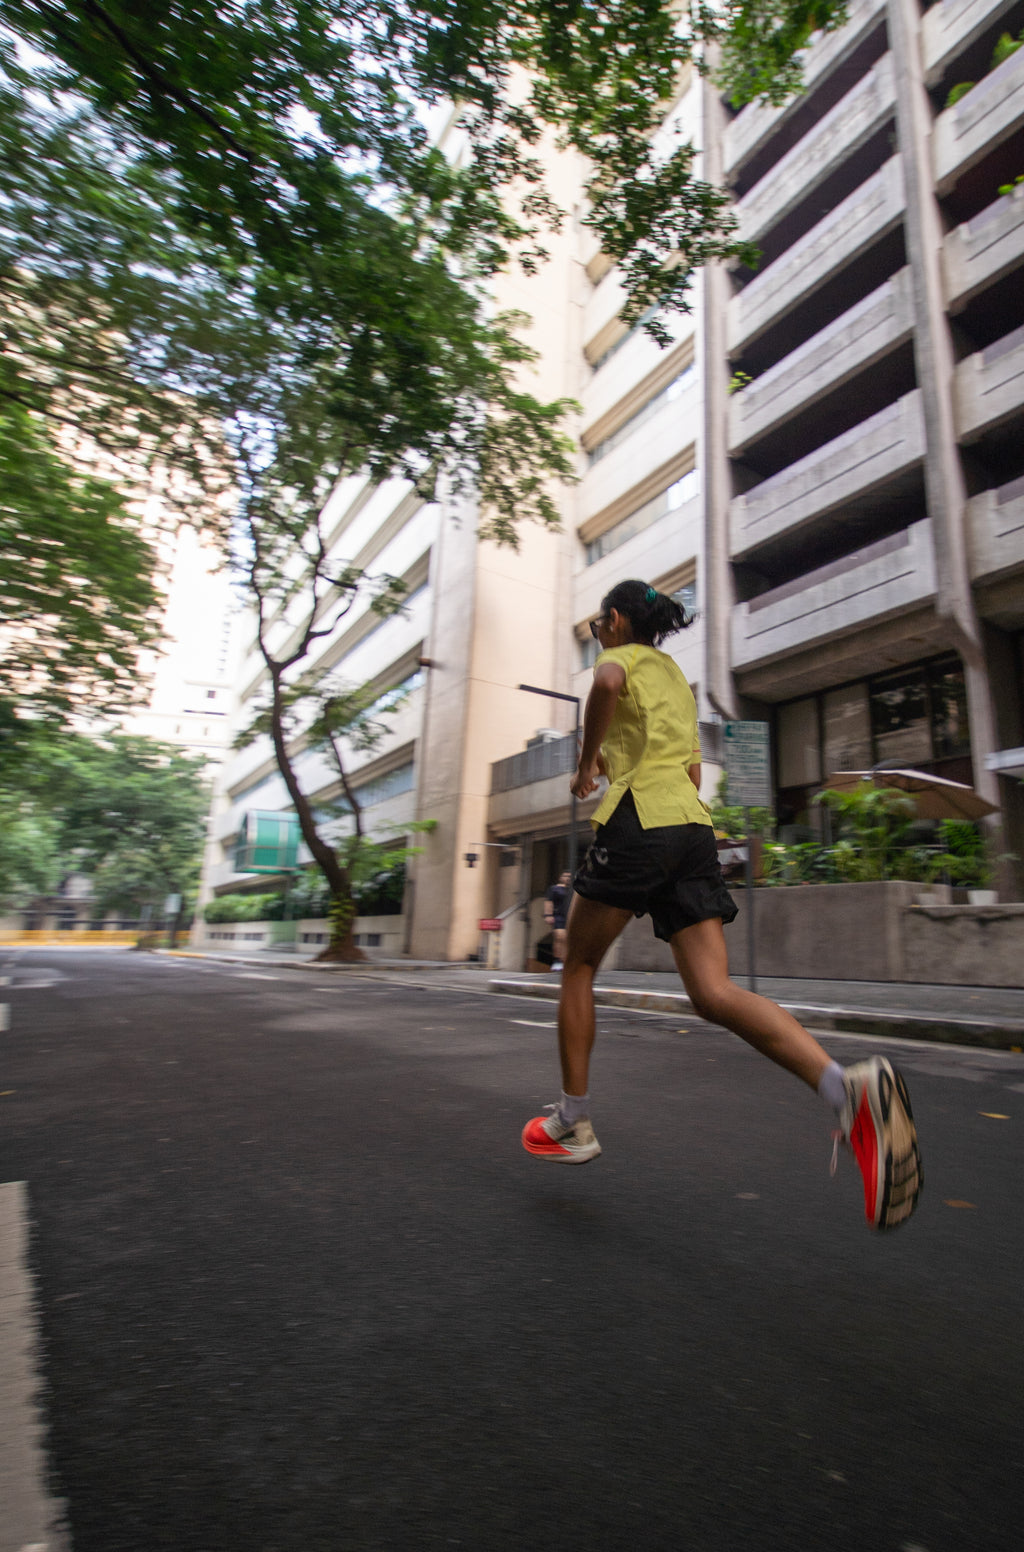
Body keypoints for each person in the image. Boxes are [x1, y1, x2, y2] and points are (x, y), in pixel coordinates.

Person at [521, 579, 922, 1232]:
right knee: (713, 991)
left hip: (635, 823)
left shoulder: (618, 660)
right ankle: (847, 1093)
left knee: (578, 967)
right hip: (691, 831)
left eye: (599, 625)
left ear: (616, 621)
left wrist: (587, 759)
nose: (600, 636)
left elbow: (606, 688)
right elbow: (692, 774)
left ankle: (571, 1120)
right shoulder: (675, 676)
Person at [543, 870, 572, 970]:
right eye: (566, 876)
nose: (568, 878)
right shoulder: (554, 889)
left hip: (569, 917)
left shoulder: (572, 890)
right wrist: (548, 915)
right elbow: (548, 901)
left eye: (570, 876)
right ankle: (557, 960)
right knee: (560, 937)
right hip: (558, 916)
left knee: (566, 940)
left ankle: (564, 961)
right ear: (561, 877)